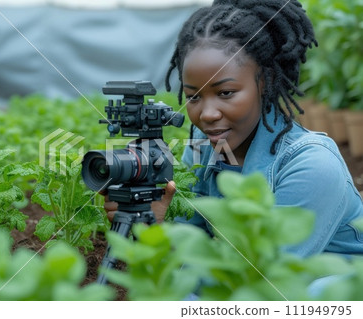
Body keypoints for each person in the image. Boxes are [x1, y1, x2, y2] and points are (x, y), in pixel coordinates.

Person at [104, 0, 363, 257]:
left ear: (266, 81)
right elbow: (191, 244)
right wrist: (153, 225)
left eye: (226, 92)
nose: (207, 115)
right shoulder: (203, 145)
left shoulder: (313, 167)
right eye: (194, 97)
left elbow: (263, 280)